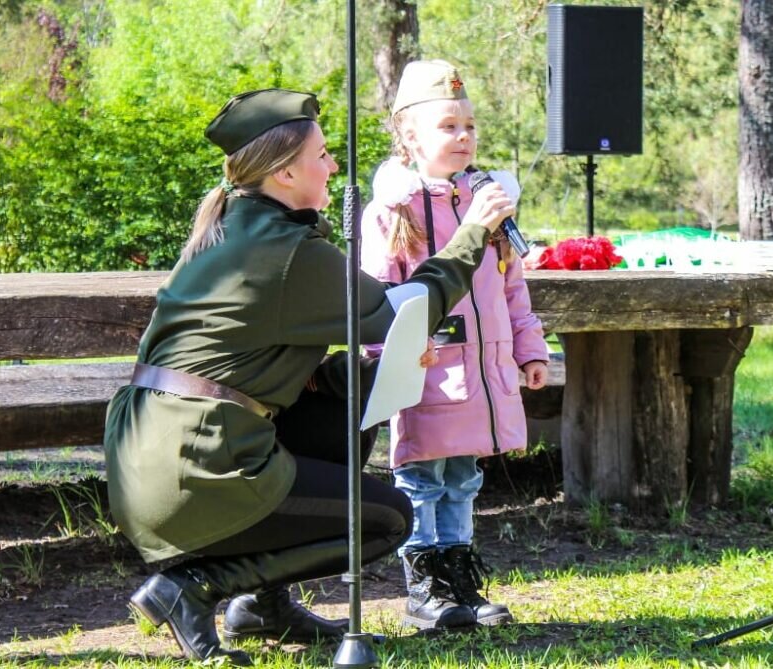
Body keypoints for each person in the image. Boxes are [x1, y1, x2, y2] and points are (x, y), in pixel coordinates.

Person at [103, 87, 517, 665]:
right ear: (283, 172)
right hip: (195, 468)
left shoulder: (234, 230)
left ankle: (261, 606)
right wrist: (472, 231)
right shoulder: (287, 249)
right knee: (387, 519)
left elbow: (250, 362)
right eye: (321, 155)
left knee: (352, 394)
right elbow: (407, 308)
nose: (332, 166)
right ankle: (194, 589)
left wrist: (366, 368)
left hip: (157, 459)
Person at [360, 61, 550, 631]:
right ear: (409, 136)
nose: (463, 137)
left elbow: (512, 287)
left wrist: (530, 349)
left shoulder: (488, 207)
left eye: (469, 126)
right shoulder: (392, 213)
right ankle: (426, 586)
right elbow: (377, 299)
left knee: (463, 477)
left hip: (484, 372)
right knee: (422, 477)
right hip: (427, 370)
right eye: (448, 127)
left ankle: (460, 578)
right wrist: (385, 359)